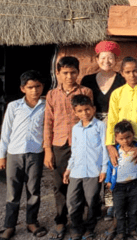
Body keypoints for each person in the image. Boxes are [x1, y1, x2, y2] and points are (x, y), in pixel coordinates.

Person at [44, 56, 93, 240]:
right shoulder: (51, 94)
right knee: (59, 185)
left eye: (73, 72)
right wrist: (48, 150)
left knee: (80, 183)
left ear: (78, 73)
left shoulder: (86, 91)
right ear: (58, 73)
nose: (69, 76)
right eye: (65, 73)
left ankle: (78, 222)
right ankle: (61, 220)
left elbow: (88, 118)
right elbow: (48, 123)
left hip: (81, 144)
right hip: (59, 144)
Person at [105, 56, 137, 238]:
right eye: (127, 71)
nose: (132, 74)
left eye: (135, 70)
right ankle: (118, 220)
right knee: (119, 179)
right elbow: (111, 120)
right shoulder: (117, 94)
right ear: (122, 73)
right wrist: (110, 146)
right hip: (121, 144)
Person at [0, 70, 47, 240]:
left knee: (34, 190)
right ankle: (9, 226)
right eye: (30, 87)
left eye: (37, 86)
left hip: (36, 153)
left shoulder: (46, 106)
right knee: (13, 191)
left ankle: (31, 222)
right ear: (23, 88)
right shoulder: (14, 106)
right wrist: (1, 155)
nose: (34, 90)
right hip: (14, 153)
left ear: (42, 87)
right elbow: (6, 131)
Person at [81, 41, 126, 224]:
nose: (107, 60)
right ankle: (93, 204)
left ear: (116, 60)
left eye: (111, 57)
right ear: (97, 59)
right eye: (103, 57)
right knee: (93, 164)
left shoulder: (122, 79)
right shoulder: (88, 80)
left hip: (114, 126)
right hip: (93, 126)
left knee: (111, 165)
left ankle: (110, 205)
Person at [62, 94, 108, 240]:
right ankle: (77, 227)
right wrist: (68, 169)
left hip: (93, 171)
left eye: (87, 109)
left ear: (93, 109)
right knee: (72, 201)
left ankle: (90, 228)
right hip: (76, 171)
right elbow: (74, 151)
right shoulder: (75, 129)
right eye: (80, 111)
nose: (84, 113)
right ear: (75, 112)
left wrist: (104, 169)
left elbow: (105, 149)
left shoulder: (100, 126)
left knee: (92, 201)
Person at [105, 120, 137, 240]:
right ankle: (120, 233)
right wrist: (108, 181)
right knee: (119, 211)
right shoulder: (116, 151)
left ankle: (132, 230)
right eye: (121, 139)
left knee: (133, 210)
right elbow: (110, 166)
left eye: (128, 137)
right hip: (118, 187)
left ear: (133, 134)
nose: (125, 141)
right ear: (116, 139)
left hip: (134, 185)